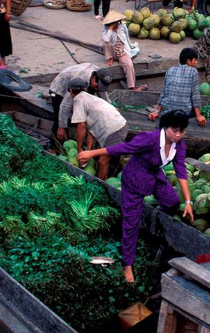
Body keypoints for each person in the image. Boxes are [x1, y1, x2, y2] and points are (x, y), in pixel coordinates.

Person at [77, 110, 194, 284]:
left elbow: (181, 171)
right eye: (174, 130)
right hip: (135, 177)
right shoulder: (150, 138)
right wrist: (92, 153)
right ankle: (128, 265)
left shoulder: (179, 145)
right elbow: (123, 148)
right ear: (165, 127)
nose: (178, 135)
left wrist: (188, 201)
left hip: (154, 175)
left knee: (172, 202)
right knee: (131, 223)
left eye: (182, 131)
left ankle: (152, 220)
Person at [68, 78, 128, 180]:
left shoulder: (78, 99)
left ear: (70, 90)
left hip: (114, 130)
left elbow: (81, 126)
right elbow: (91, 132)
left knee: (102, 161)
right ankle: (103, 177)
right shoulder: (89, 98)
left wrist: (79, 148)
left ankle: (101, 186)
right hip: (119, 125)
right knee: (100, 156)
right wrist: (88, 150)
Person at [48, 63, 113, 145]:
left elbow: (102, 93)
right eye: (97, 86)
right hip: (59, 90)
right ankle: (53, 147)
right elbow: (65, 106)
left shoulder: (100, 74)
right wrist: (62, 127)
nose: (98, 88)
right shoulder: (79, 80)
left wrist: (110, 107)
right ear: (94, 78)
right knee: (59, 119)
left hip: (81, 84)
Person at [149, 47, 206, 126]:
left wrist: (157, 112)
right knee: (195, 110)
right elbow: (195, 96)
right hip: (183, 113)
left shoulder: (170, 70)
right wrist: (199, 115)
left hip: (167, 112)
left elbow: (163, 93)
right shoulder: (193, 72)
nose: (196, 62)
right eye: (195, 60)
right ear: (188, 61)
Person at [101, 11, 138, 90]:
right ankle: (110, 58)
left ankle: (131, 86)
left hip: (122, 52)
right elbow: (106, 39)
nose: (116, 24)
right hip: (112, 51)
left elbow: (127, 38)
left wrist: (131, 46)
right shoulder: (105, 29)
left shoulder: (122, 26)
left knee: (129, 65)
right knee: (105, 44)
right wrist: (110, 29)